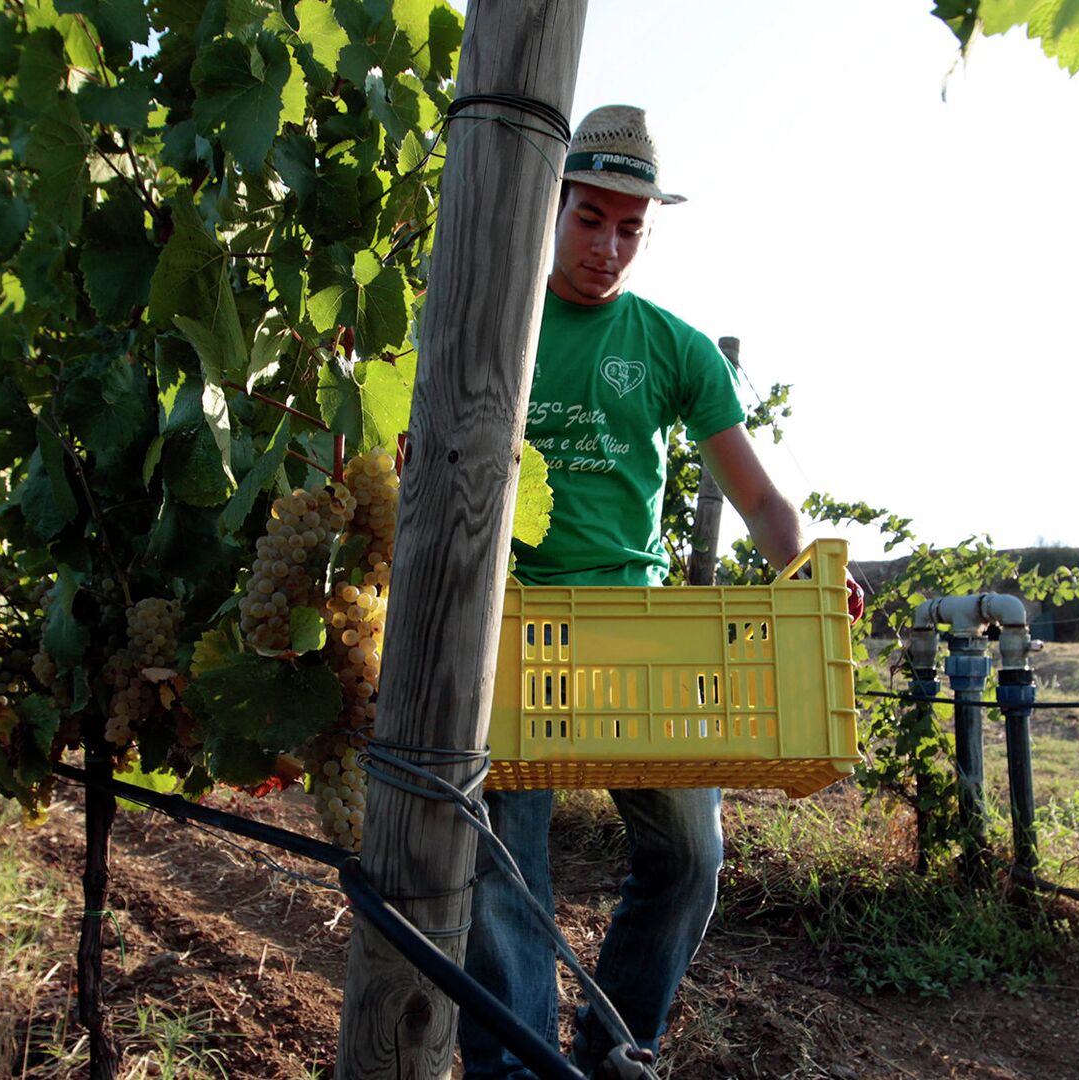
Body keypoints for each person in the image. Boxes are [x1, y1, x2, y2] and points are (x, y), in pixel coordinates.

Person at [459, 104, 819, 1080]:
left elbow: (759, 496)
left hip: (636, 641)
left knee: (691, 860)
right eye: (591, 219)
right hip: (514, 632)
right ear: (553, 208)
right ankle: (521, 1069)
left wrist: (807, 568)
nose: (609, 247)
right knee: (505, 881)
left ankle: (617, 1050)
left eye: (631, 229)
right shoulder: (497, 330)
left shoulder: (675, 348)